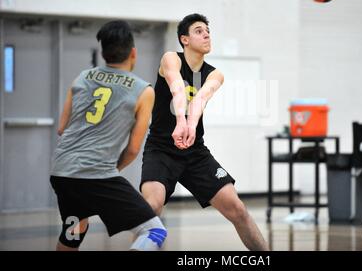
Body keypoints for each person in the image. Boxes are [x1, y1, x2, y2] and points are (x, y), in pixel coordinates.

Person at [140, 13, 269, 251]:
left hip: (195, 151)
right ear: (184, 39)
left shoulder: (214, 73)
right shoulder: (171, 58)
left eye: (208, 30)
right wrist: (181, 119)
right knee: (152, 205)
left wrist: (189, 124)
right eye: (199, 30)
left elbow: (201, 97)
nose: (206, 34)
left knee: (238, 209)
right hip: (161, 149)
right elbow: (177, 87)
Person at [50, 20, 166, 251]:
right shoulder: (143, 90)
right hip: (96, 174)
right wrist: (109, 172)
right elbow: (133, 149)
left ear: (103, 53)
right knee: (154, 231)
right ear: (133, 53)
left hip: (62, 173)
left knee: (74, 231)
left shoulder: (82, 77)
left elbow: (62, 128)